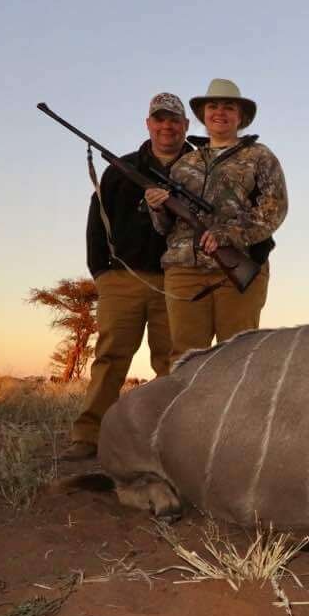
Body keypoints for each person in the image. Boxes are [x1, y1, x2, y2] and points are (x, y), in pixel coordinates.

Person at [61, 93, 192, 460]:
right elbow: (96, 221)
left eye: (174, 120)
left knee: (172, 362)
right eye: (160, 119)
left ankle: (169, 441)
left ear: (186, 126)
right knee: (111, 356)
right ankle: (88, 435)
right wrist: (102, 272)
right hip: (123, 278)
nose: (167, 126)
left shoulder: (198, 170)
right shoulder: (121, 169)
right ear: (148, 124)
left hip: (176, 280)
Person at [144, 79, 287, 361]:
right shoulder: (185, 162)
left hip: (237, 269)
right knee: (185, 360)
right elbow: (164, 228)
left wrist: (227, 234)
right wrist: (157, 208)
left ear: (240, 116)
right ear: (203, 115)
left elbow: (274, 208)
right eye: (213, 106)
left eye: (228, 107)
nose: (219, 112)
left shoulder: (260, 156)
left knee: (237, 360)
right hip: (184, 272)